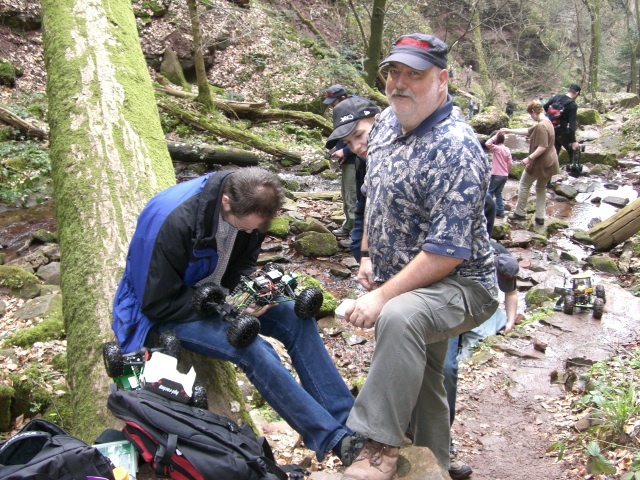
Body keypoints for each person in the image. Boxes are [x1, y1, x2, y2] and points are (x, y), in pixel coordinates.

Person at [337, 33, 499, 480]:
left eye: (415, 74)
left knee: (401, 317)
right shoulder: (387, 124)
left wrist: (382, 296)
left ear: (442, 79)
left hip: (463, 285)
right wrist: (367, 254)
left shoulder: (458, 148)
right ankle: (435, 466)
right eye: (393, 72)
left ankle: (380, 448)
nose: (399, 83)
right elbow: (375, 196)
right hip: (409, 278)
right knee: (427, 381)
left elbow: (447, 254)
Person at [111, 167, 356, 462]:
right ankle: (332, 439)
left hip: (219, 294)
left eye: (257, 229)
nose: (252, 233)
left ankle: (348, 421)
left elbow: (243, 261)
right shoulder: (174, 221)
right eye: (246, 227)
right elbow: (155, 302)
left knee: (295, 317)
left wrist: (249, 291)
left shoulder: (250, 204)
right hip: (168, 309)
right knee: (251, 346)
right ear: (226, 202)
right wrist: (229, 308)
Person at [443, 241, 519, 479]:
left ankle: (444, 444)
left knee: (454, 363)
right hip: (449, 300)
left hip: (478, 304)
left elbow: (511, 293)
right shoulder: (456, 246)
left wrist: (511, 320)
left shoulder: (503, 260)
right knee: (444, 367)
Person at [325, 96, 381, 262]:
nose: (356, 147)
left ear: (378, 121)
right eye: (347, 142)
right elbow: (362, 208)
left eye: (359, 135)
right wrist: (360, 253)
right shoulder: (366, 162)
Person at [501, 101, 560, 225]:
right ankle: (540, 216)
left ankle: (520, 212)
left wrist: (529, 158)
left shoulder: (541, 126)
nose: (531, 117)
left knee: (524, 184)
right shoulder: (547, 122)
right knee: (541, 188)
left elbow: (542, 146)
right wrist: (509, 130)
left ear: (533, 111)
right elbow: (528, 131)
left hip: (540, 162)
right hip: (551, 161)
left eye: (530, 114)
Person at [323, 84, 358, 237]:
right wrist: (335, 149)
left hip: (357, 160)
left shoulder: (356, 110)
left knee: (352, 194)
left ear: (342, 98)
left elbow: (363, 140)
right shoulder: (343, 111)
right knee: (346, 193)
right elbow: (342, 134)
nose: (331, 105)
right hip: (349, 158)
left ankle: (354, 229)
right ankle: (350, 225)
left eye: (333, 101)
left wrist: (344, 151)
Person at [544, 84, 581, 158]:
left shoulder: (557, 96)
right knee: (574, 151)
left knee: (554, 152)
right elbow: (572, 125)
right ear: (577, 93)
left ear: (569, 90)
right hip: (561, 131)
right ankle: (573, 168)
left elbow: (545, 106)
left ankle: (551, 168)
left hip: (550, 129)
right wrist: (573, 141)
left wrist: (550, 116)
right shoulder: (572, 105)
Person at [485, 131, 513, 218]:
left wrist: (495, 136)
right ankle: (500, 211)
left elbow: (487, 143)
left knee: (490, 192)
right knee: (498, 193)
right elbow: (510, 163)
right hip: (504, 175)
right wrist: (507, 172)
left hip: (496, 174)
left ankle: (486, 210)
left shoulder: (497, 149)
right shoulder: (507, 150)